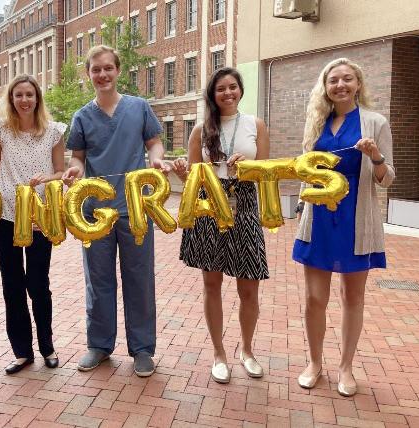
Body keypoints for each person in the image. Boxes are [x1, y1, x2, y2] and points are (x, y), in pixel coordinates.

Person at [62, 45, 169, 377]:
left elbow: (153, 143)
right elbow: (77, 156)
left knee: (139, 279)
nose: (103, 75)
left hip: (135, 208)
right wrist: (75, 170)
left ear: (118, 71)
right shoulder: (82, 116)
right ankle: (99, 345)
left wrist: (156, 159)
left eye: (108, 68)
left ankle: (142, 349)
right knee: (99, 280)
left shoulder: (138, 108)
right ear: (89, 74)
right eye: (96, 70)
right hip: (96, 213)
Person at [292, 58, 395, 397]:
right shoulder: (316, 121)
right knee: (313, 299)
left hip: (356, 218)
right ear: (325, 86)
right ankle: (315, 363)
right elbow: (304, 170)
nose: (340, 85)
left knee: (352, 296)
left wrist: (376, 156)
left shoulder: (374, 122)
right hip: (319, 218)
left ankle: (346, 368)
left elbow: (386, 180)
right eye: (333, 80)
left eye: (347, 79)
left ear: (358, 83)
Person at [172, 67, 270, 384]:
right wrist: (181, 172)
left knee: (249, 287)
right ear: (212, 95)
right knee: (211, 284)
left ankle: (247, 351)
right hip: (208, 204)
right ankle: (218, 353)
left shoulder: (256, 125)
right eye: (220, 89)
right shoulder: (201, 130)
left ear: (240, 90)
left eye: (232, 87)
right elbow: (192, 180)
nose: (227, 93)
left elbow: (266, 174)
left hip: (245, 204)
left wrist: (249, 167)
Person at [0, 74, 65, 374]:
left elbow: (60, 172)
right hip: (6, 217)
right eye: (19, 95)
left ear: (37, 98)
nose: (24, 100)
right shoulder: (0, 130)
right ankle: (21, 351)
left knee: (39, 284)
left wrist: (48, 178)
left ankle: (47, 346)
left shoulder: (54, 131)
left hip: (40, 216)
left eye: (30, 94)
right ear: (11, 99)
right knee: (12, 284)